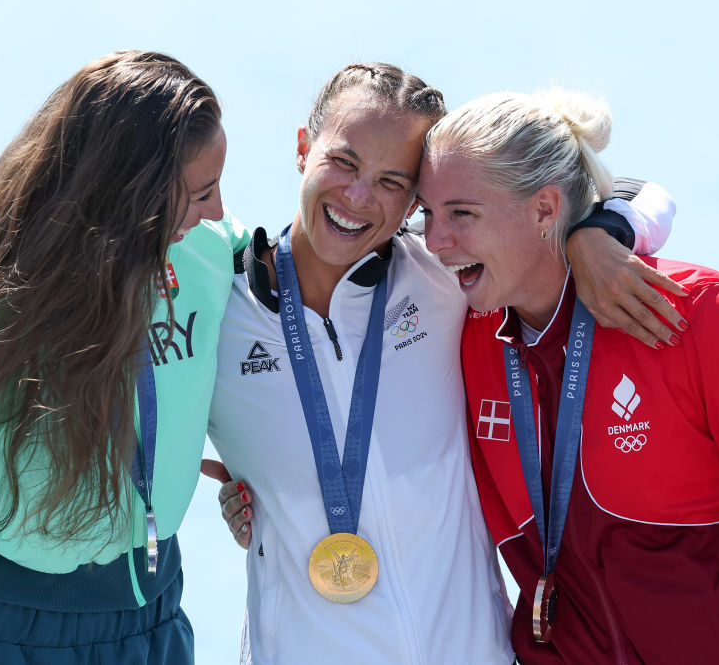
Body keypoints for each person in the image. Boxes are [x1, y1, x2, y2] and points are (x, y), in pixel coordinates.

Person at [203, 64, 682, 664]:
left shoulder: (444, 277)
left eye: (392, 182)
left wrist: (596, 234)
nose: (358, 197)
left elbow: (645, 193)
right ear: (304, 147)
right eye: (344, 163)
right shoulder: (218, 306)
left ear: (415, 199)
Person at [0, 50, 248, 664]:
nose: (218, 212)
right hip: (7, 635)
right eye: (201, 192)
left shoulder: (207, 254)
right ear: (126, 197)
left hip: (156, 616)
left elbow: (306, 301)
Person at [418, 88, 719, 663]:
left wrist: (601, 228)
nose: (435, 241)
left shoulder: (705, 317)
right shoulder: (458, 333)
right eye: (426, 213)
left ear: (545, 209)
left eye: (461, 213)